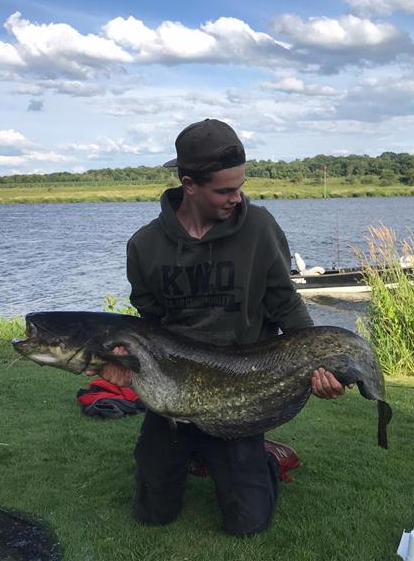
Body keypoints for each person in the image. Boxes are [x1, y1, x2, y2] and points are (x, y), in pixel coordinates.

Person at [90, 118, 346, 537]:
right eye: (225, 191)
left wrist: (319, 362)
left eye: (240, 186)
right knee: (152, 512)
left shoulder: (259, 228)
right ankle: (194, 452)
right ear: (189, 184)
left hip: (240, 387)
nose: (237, 198)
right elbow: (149, 326)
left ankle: (263, 458)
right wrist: (123, 357)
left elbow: (286, 303)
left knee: (248, 523)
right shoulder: (144, 246)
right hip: (174, 386)